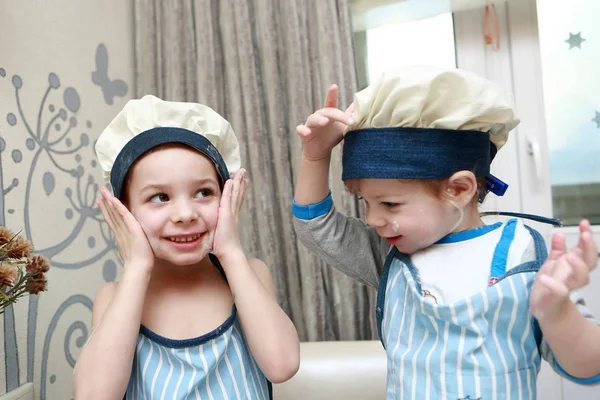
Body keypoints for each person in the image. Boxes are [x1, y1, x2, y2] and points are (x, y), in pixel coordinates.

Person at [292, 66, 600, 398]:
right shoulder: (389, 258)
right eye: (365, 202)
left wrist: (556, 311)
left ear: (460, 189)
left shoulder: (525, 257)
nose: (373, 220)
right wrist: (316, 155)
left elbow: (588, 369)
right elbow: (316, 227)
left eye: (390, 204)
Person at [73, 95, 300, 399]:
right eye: (160, 197)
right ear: (123, 211)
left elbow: (282, 365)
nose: (185, 214)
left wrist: (231, 251)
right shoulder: (116, 297)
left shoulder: (249, 275)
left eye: (204, 192)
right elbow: (94, 396)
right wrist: (137, 268)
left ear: (228, 195)